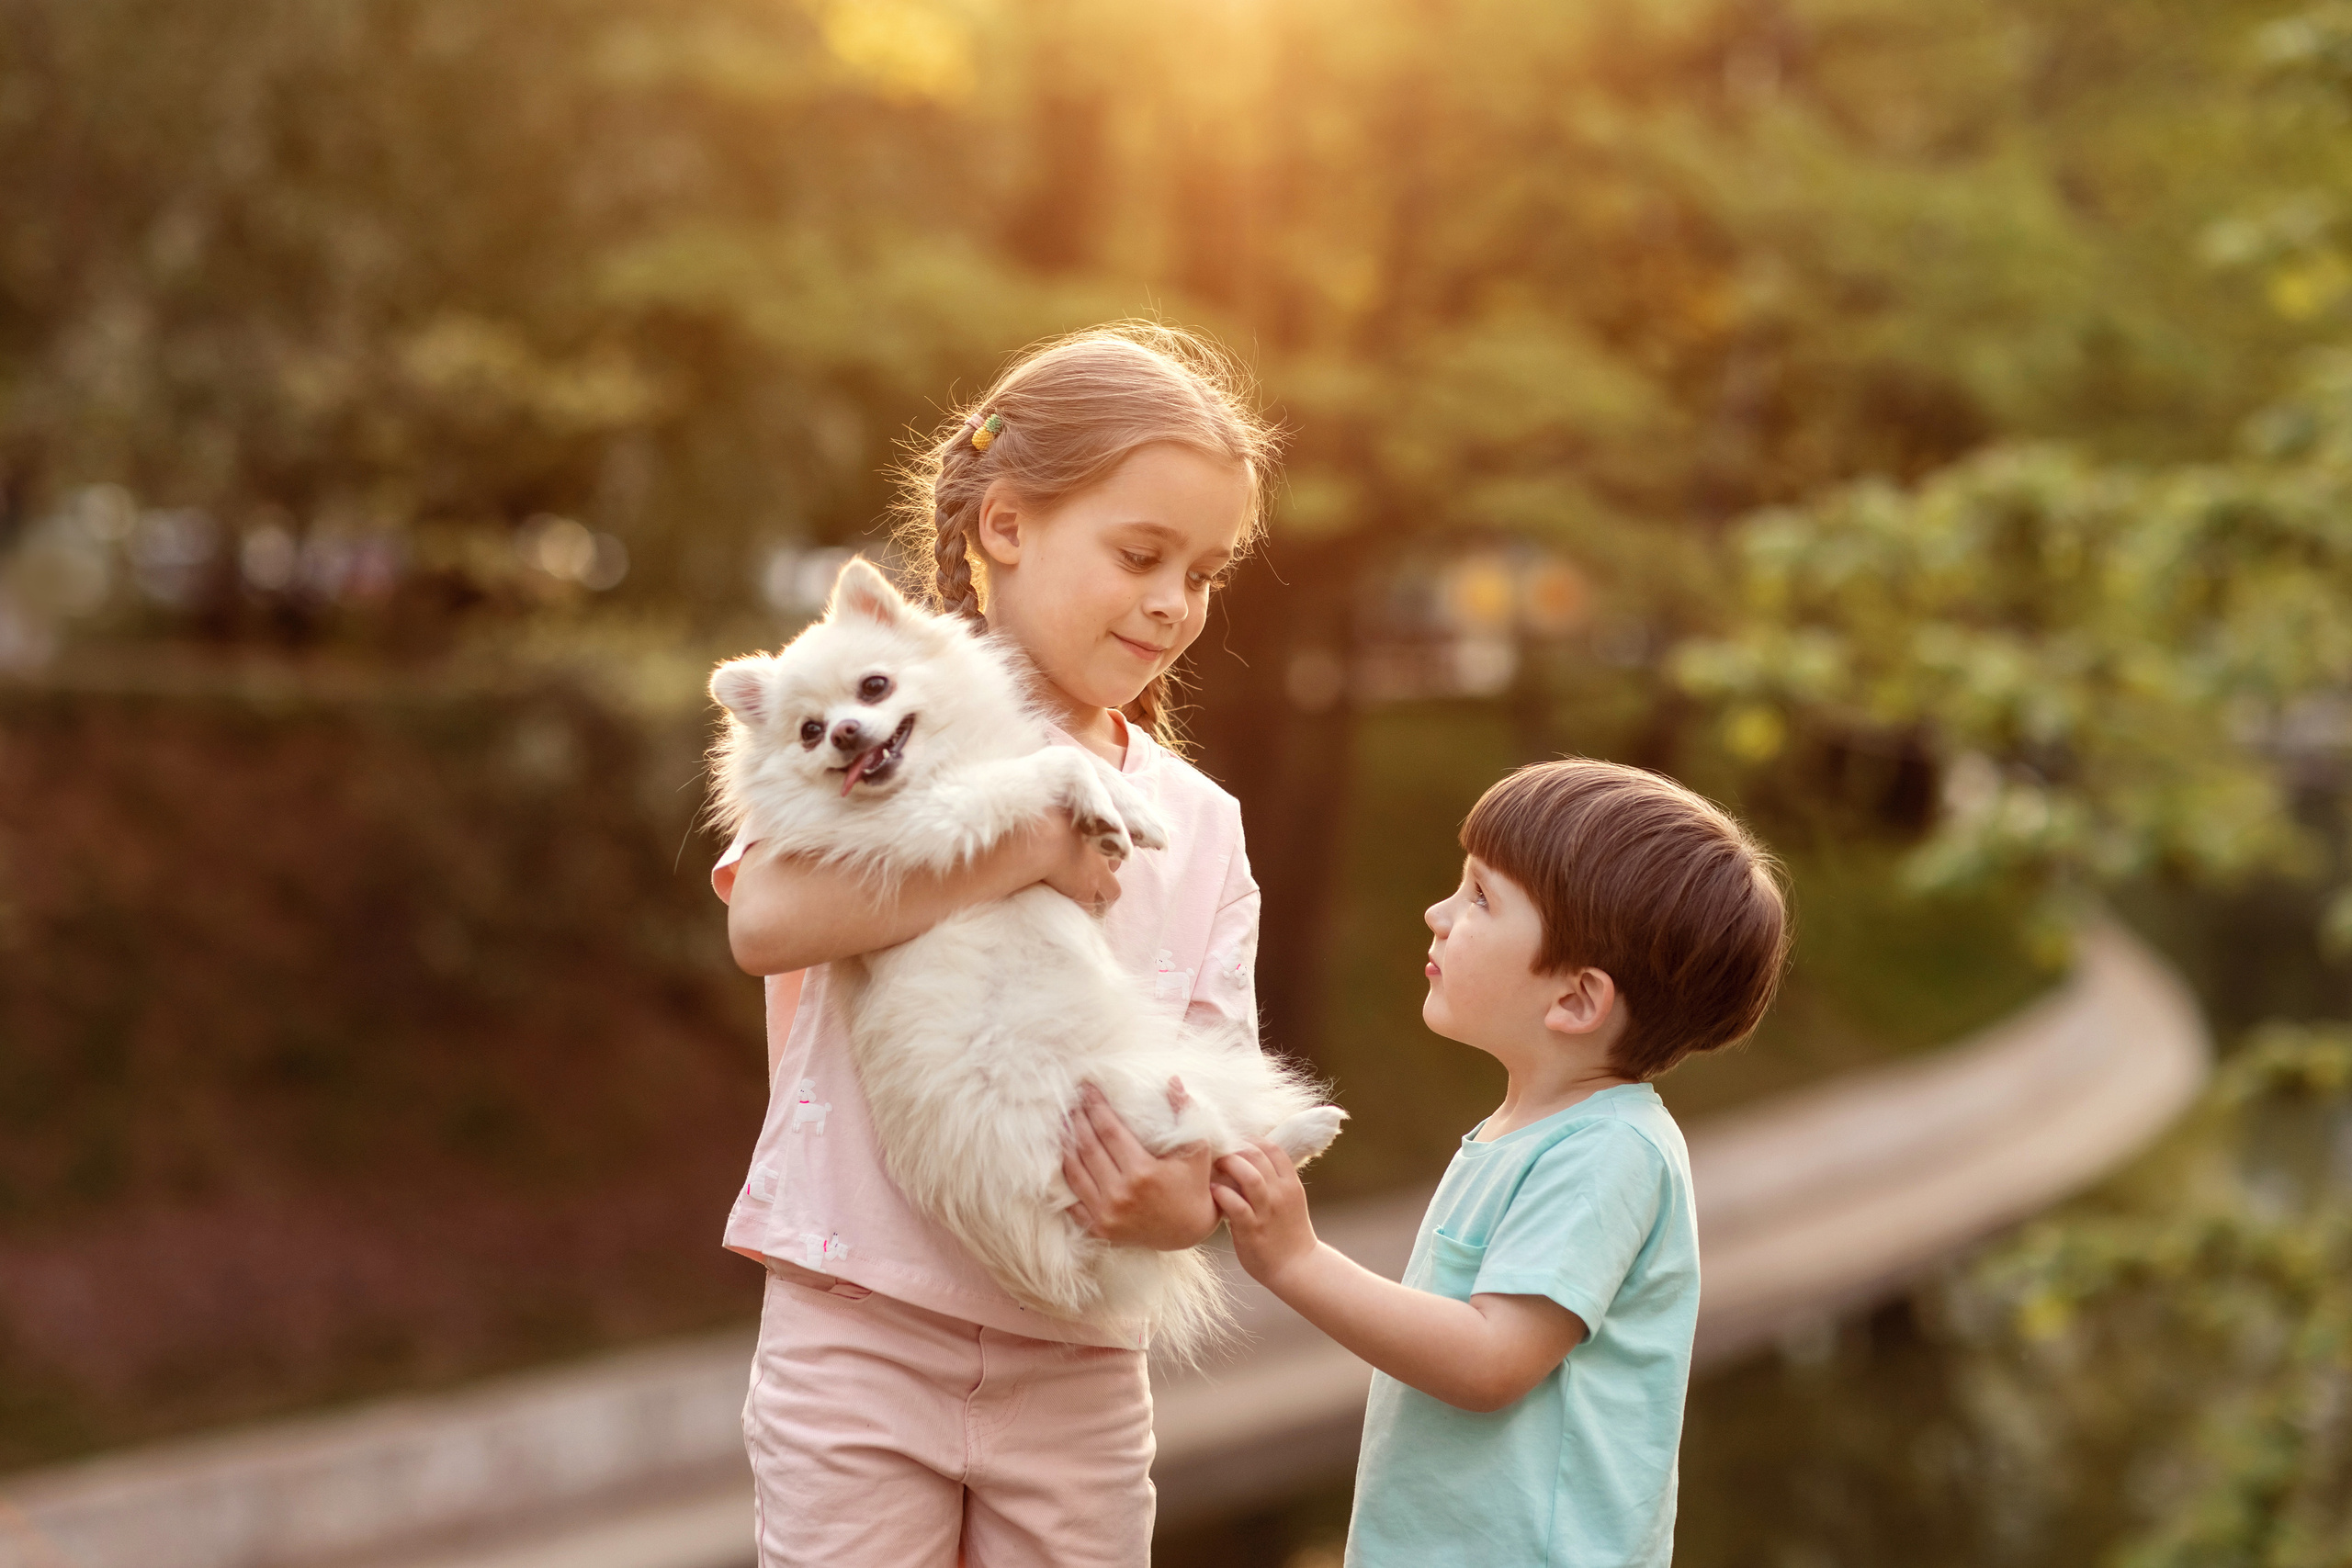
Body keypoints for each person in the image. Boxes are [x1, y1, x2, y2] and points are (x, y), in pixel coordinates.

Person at [710, 322, 1282, 1568]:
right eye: (1141, 554)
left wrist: (1174, 1197)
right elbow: (766, 919)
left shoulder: (1200, 825)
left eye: (1204, 570)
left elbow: (1213, 1137)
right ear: (1005, 527)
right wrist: (1027, 842)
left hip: (1075, 1359)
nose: (1173, 600)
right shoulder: (873, 729)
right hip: (857, 1332)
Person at [1212, 760, 1790, 1568]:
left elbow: (1490, 1359)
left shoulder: (1609, 1152)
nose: (1437, 913)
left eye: (1480, 897)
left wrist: (1297, 1260)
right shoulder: (1524, 1131)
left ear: (1578, 1000)